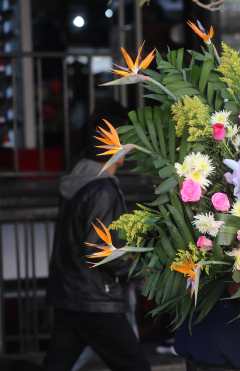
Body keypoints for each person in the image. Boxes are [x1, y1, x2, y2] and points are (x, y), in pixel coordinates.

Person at [43, 99, 151, 371]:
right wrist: (140, 268)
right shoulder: (102, 189)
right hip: (95, 299)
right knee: (135, 366)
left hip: (70, 293)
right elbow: (99, 251)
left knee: (58, 364)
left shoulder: (78, 179)